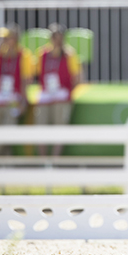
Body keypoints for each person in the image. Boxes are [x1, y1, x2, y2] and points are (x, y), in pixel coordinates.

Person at [0, 24, 34, 156]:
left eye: (7, 38)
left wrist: (24, 101)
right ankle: (6, 165)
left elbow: (25, 81)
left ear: (15, 38)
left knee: (7, 133)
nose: (4, 41)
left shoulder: (24, 55)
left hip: (13, 100)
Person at [34, 23, 82, 156]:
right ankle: (43, 160)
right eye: (55, 37)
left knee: (60, 128)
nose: (57, 41)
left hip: (61, 96)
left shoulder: (69, 55)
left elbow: (78, 78)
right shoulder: (42, 54)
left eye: (60, 37)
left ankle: (55, 160)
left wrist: (67, 93)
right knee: (41, 127)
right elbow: (37, 75)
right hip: (46, 95)